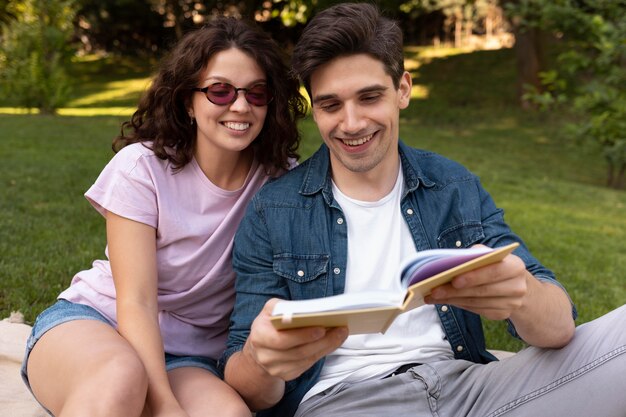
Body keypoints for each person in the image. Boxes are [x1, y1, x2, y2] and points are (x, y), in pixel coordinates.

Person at [219, 3, 626, 417]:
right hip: (348, 401)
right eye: (331, 105)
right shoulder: (274, 210)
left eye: (370, 97)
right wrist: (260, 358)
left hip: (472, 390)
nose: (352, 122)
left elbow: (559, 328)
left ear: (403, 89)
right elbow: (247, 387)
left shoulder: (452, 185)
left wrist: (521, 297)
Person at [21, 17, 307, 417]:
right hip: (101, 324)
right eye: (220, 91)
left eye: (256, 93)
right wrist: (166, 406)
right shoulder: (142, 168)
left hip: (191, 357)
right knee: (121, 382)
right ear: (188, 101)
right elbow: (135, 302)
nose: (240, 105)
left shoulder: (280, 180)